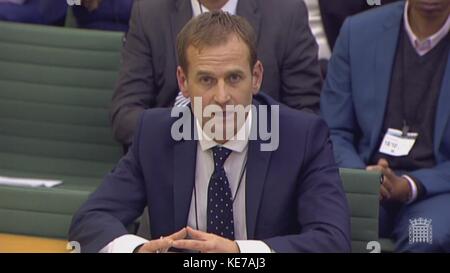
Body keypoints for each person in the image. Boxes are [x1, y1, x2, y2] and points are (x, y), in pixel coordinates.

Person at [69, 11, 350, 253]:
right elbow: (91, 218)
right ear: (183, 82)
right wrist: (137, 248)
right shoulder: (156, 133)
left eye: (234, 78)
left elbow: (332, 240)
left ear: (256, 77)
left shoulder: (300, 137)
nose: (222, 96)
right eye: (206, 79)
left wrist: (241, 252)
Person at [321, 0, 450, 252]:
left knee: (424, 237)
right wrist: (364, 179)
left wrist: (411, 184)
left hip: (435, 191)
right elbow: (333, 130)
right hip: (366, 178)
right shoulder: (357, 32)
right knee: (325, 226)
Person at [110, 0, 323, 148]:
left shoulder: (287, 13)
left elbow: (305, 114)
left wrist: (237, 132)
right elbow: (125, 115)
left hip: (259, 163)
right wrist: (192, 131)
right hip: (170, 159)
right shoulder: (149, 12)